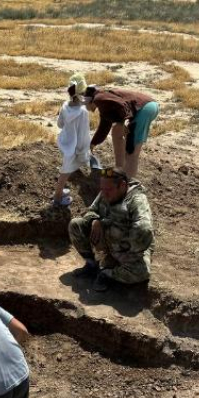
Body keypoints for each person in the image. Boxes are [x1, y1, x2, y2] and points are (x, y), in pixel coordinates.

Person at [68, 167, 154, 292]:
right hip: (107, 241)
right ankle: (92, 266)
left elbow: (144, 230)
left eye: (108, 190)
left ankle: (107, 273)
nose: (104, 193)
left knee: (141, 273)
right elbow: (91, 211)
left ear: (123, 185)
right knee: (76, 224)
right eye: (102, 189)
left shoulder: (137, 200)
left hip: (127, 248)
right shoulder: (105, 190)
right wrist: (94, 221)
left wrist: (125, 248)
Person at [83, 86, 159, 178]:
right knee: (119, 134)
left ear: (88, 100)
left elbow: (121, 104)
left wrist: (122, 123)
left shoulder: (98, 98)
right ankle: (121, 171)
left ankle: (128, 184)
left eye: (84, 104)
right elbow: (104, 128)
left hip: (144, 109)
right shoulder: (104, 103)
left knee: (132, 153)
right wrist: (93, 144)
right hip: (147, 108)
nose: (85, 107)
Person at [54, 73, 91, 207]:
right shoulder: (83, 112)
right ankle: (57, 198)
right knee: (65, 171)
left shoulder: (64, 106)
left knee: (66, 169)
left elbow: (60, 124)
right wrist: (83, 150)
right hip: (74, 147)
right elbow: (83, 135)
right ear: (83, 91)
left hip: (64, 143)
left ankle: (59, 192)